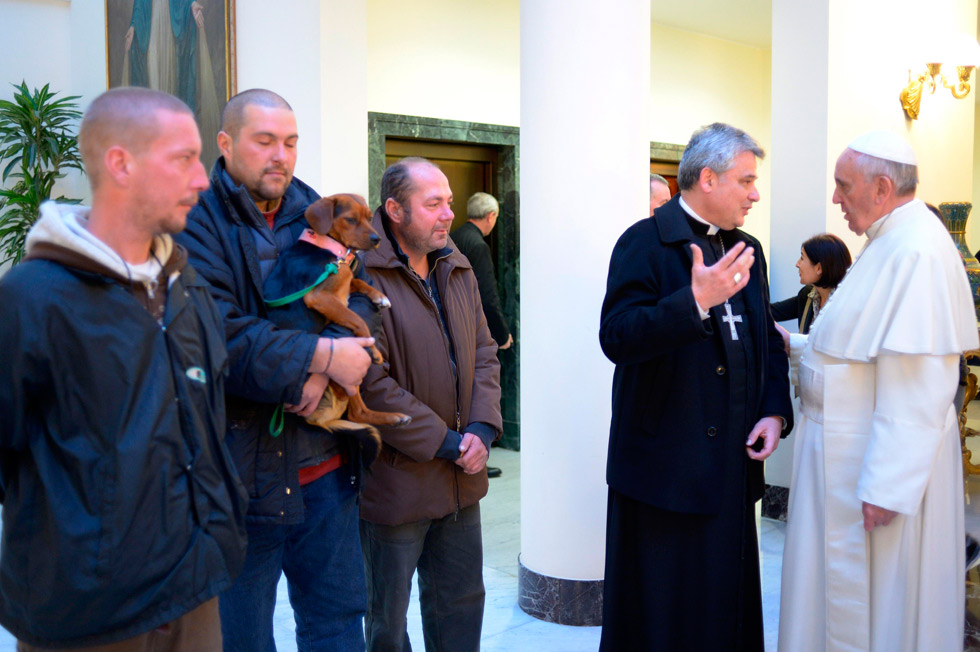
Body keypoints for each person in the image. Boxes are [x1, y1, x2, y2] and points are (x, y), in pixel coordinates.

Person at [0, 87, 246, 650]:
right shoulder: (30, 301)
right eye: (183, 158)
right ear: (121, 163)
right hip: (89, 616)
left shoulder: (190, 288)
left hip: (194, 592)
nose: (203, 179)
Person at [176, 89, 376, 652]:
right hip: (241, 480)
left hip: (327, 472)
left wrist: (327, 366)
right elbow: (214, 329)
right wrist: (317, 359)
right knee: (242, 636)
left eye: (290, 142)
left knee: (337, 624)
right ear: (226, 143)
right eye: (264, 141)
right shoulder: (196, 220)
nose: (280, 155)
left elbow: (353, 295)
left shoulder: (314, 206)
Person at [777, 131, 977, 652]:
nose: (836, 199)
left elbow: (920, 383)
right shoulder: (888, 240)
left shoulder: (917, 250)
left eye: (844, 186)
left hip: (874, 474)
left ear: (883, 186)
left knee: (883, 612)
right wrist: (799, 345)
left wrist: (888, 487)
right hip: (842, 453)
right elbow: (855, 351)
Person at [599, 122, 794, 652]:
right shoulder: (643, 243)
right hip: (665, 470)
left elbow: (766, 340)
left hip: (731, 468)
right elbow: (617, 337)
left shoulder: (747, 247)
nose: (756, 193)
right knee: (663, 615)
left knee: (722, 611)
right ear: (707, 178)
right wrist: (694, 302)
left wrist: (774, 411)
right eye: (746, 180)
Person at [358, 157, 502, 652]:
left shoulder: (455, 262)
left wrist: (481, 430)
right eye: (434, 203)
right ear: (394, 209)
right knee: (387, 620)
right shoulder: (361, 272)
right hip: (397, 477)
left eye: (450, 202)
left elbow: (484, 351)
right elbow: (367, 380)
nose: (447, 213)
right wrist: (443, 441)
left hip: (462, 474)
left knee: (461, 603)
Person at [771, 233, 851, 335]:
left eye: (802, 258)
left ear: (819, 268)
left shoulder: (848, 302)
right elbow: (770, 312)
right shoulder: (807, 295)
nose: (797, 264)